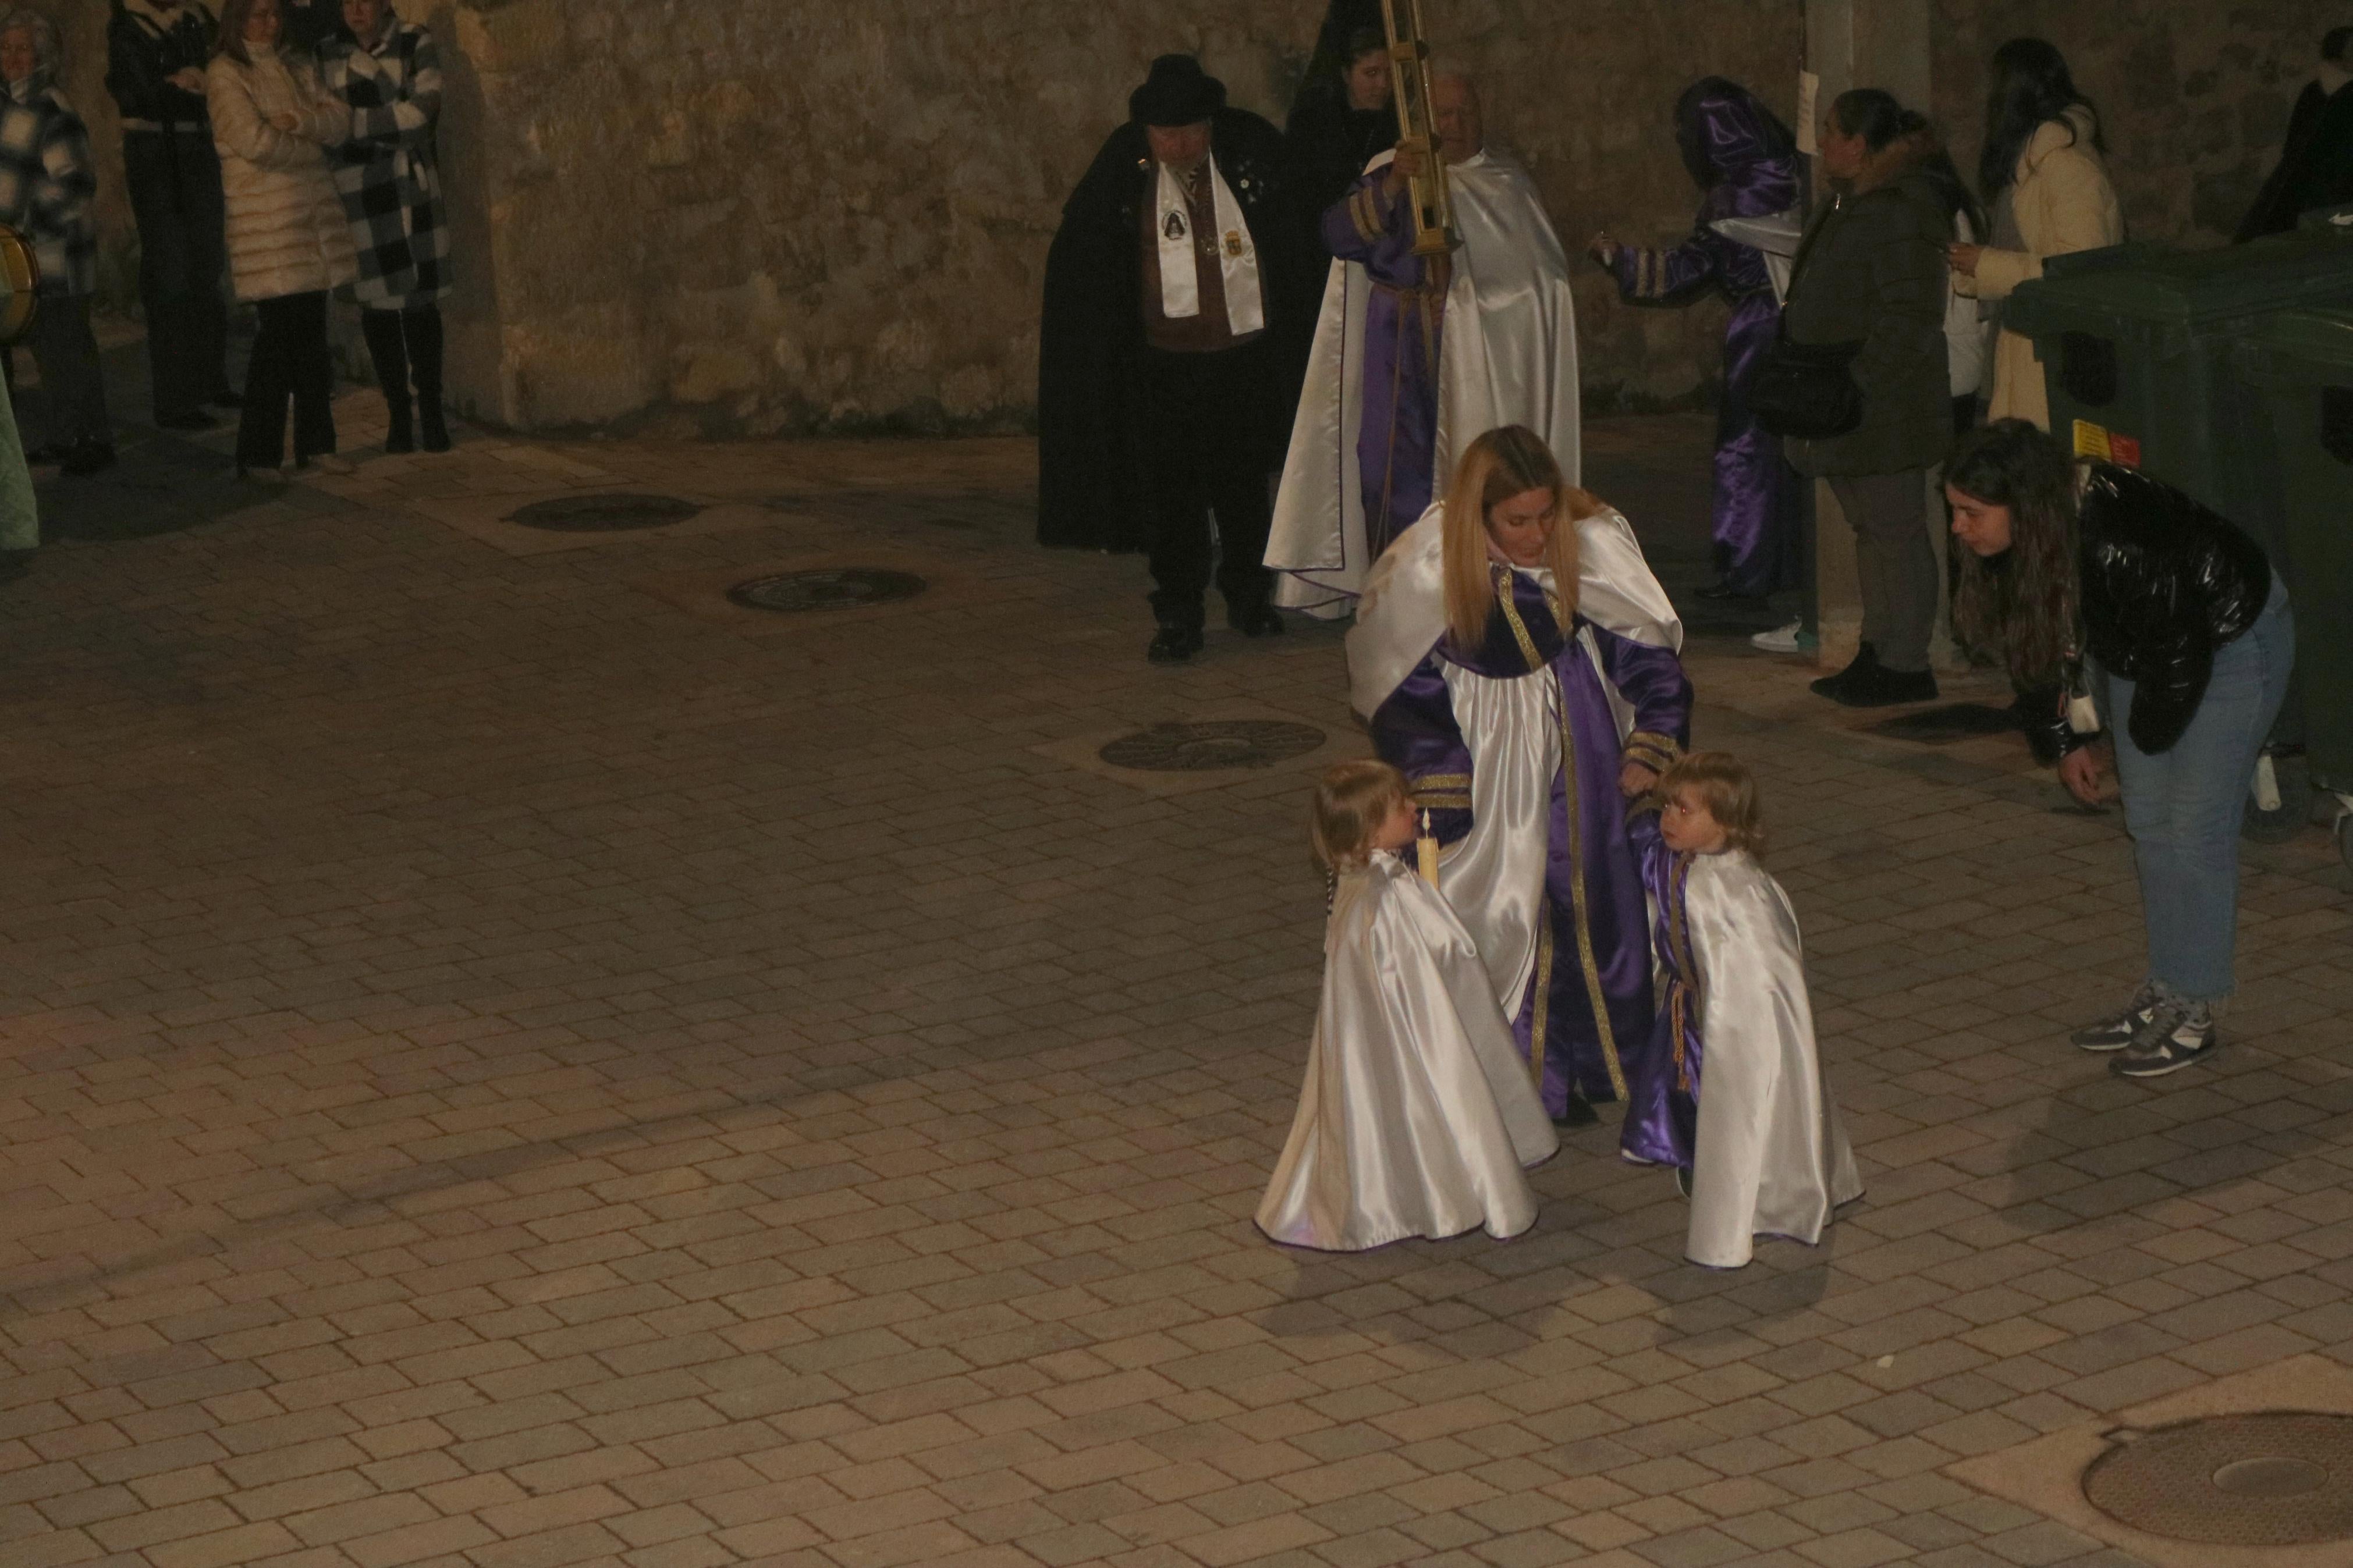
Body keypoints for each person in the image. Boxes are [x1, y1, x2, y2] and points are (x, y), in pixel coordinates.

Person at [1350, 425, 1690, 1135]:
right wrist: (1442, 782)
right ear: (1479, 516)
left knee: (1592, 901)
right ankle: (1514, 1076)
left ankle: (1596, 1063)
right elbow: (1399, 684)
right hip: (1482, 759)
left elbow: (1645, 651)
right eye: (1517, 522)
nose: (1537, 536)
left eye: (1546, 517)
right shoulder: (1427, 567)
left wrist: (1650, 743)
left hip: (1579, 750)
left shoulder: (1589, 546)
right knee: (1499, 913)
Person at [1948, 421, 2294, 1079]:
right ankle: (2166, 987)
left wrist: (2128, 746)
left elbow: (2180, 656)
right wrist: (2068, 742)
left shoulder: (2115, 540)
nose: (1960, 527)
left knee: (2192, 827)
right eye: (1955, 510)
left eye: (1971, 513)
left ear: (2024, 506)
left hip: (2225, 639)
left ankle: (2193, 1007)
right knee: (2149, 824)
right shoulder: (2031, 538)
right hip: (2150, 643)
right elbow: (2036, 647)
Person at [1266, 66, 1582, 615]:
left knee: (1489, 480)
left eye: (1465, 111)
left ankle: (1488, 589)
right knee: (1394, 486)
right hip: (1403, 360)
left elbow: (1545, 282)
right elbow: (1336, 234)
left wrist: (1488, 313)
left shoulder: (1509, 182)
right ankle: (1404, 604)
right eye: (1441, 114)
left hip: (1497, 373)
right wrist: (1393, 185)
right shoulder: (1389, 173)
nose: (1453, 124)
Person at [1037, 54, 1308, 664]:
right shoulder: (1124, 165)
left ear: (1210, 124)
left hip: (1242, 359)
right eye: (1167, 134)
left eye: (1191, 130)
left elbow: (1292, 234)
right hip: (1163, 366)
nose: (1181, 145)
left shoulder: (1246, 153)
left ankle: (1248, 596)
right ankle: (1179, 612)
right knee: (1174, 498)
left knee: (1242, 486)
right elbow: (1085, 253)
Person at [1255, 759, 1560, 1250]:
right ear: (1370, 829)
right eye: (1400, 806)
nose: (1414, 807)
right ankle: (1441, 1190)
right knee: (1426, 1100)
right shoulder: (1388, 893)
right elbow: (1432, 961)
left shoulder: (1358, 883)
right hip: (1413, 1030)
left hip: (1372, 1032)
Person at [1621, 752, 1862, 1268]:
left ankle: (1750, 1195)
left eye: (1683, 811)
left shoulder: (1739, 896)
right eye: (1667, 807)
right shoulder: (1690, 864)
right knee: (1678, 1088)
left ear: (1727, 823)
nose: (1669, 819)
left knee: (1737, 1105)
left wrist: (1728, 1028)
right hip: (1690, 1013)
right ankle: (1693, 1157)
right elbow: (1647, 855)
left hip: (1732, 1027)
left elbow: (1758, 984)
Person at [1589, 79, 1804, 602]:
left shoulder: (1732, 199)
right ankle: (1792, 567)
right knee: (1794, 451)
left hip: (1760, 328)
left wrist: (1619, 258)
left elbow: (1689, 270)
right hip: (1802, 323)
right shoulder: (1795, 172)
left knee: (1745, 451)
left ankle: (1747, 572)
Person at [1784, 90, 1953, 709]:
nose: (1822, 143)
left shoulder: (1899, 208)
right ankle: (1877, 649)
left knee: (1895, 531)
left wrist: (1859, 381)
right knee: (1869, 530)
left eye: (1830, 132)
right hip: (1849, 402)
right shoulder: (1852, 201)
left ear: (1857, 144)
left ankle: (1906, 660)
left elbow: (1911, 313)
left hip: (1883, 406)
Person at [210, 0, 356, 479]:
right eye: (257, 14)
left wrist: (303, 124)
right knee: (277, 342)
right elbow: (252, 141)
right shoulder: (226, 73)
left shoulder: (297, 65)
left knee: (311, 338)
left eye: (274, 13)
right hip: (268, 225)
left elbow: (338, 120)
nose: (268, 23)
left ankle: (318, 443)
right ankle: (257, 454)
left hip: (311, 223)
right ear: (237, 19)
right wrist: (307, 144)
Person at [1947, 38, 2123, 429]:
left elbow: (2080, 271)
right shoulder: (2029, 166)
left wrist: (1987, 264)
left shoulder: (2065, 167)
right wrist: (1974, 266)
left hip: (2055, 355)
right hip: (2023, 345)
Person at [321, 0, 449, 454]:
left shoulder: (415, 41)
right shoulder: (326, 55)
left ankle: (431, 411)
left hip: (410, 186)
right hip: (361, 192)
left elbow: (422, 112)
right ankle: (398, 412)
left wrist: (354, 122)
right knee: (377, 309)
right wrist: (382, 120)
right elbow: (325, 126)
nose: (355, 9)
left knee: (419, 304)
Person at [106, 0, 239, 432]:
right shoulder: (127, 26)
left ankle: (209, 380)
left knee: (206, 267)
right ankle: (175, 399)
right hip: (154, 156)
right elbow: (137, 92)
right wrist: (181, 86)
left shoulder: (198, 19)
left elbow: (225, 76)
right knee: (170, 273)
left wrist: (190, 85)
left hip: (198, 150)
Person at [0, 12, 115, 477]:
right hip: (12, 262)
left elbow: (75, 186)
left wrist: (21, 219)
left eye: (23, 49)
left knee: (66, 355)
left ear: (42, 55)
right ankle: (62, 436)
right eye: (6, 48)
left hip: (54, 260)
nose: (13, 58)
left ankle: (93, 439)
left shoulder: (54, 111)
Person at [1283, 1, 1396, 265]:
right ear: (1346, 73)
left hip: (1387, 261)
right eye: (1371, 73)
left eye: (1390, 73)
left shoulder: (1399, 124)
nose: (1383, 85)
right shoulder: (1311, 126)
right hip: (1324, 261)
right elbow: (1301, 209)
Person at [2238, 27, 2353, 241]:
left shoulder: (2323, 92)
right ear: (2339, 59)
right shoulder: (2319, 94)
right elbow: (2301, 150)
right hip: (2322, 198)